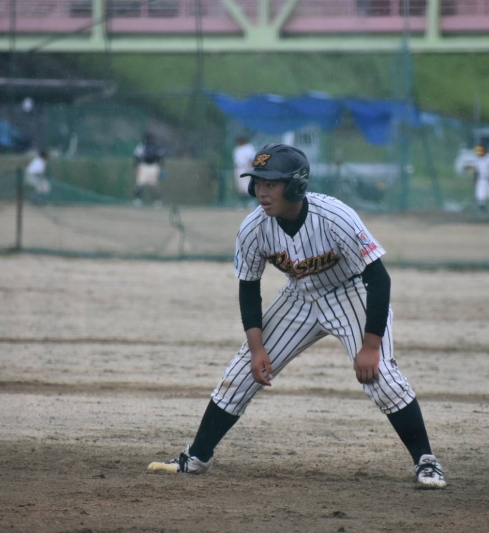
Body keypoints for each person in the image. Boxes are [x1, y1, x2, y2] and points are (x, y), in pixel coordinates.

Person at [148, 144, 447, 490]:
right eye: (258, 182)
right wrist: (257, 349)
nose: (261, 191)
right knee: (240, 374)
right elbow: (249, 288)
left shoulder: (334, 217)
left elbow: (378, 280)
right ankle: (196, 457)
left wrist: (370, 346)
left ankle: (426, 461)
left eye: (271, 184)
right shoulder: (254, 228)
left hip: (351, 292)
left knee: (381, 379)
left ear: (295, 186)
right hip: (299, 296)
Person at [133, 133, 164, 207]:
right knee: (141, 184)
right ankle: (138, 200)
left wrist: (135, 166)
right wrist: (136, 166)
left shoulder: (155, 147)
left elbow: (160, 157)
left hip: (152, 166)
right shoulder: (142, 146)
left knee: (154, 185)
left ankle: (157, 201)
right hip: (145, 166)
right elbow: (137, 157)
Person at [233, 135, 256, 206]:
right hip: (239, 168)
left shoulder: (248, 147)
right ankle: (242, 202)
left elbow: (252, 158)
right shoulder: (237, 149)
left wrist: (250, 166)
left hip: (246, 167)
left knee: (247, 185)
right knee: (240, 187)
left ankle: (250, 202)